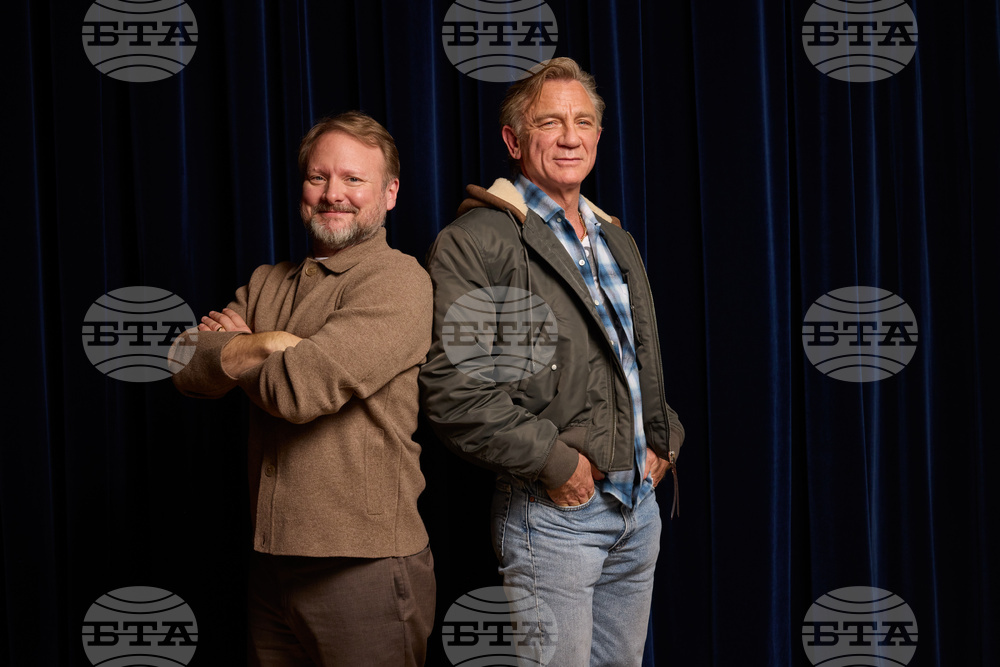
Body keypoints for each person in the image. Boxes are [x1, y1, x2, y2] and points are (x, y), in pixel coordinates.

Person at [419, 58, 684, 666]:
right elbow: (454, 392)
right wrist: (556, 464)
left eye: (583, 121)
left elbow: (632, 358)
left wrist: (664, 437)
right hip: (555, 513)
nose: (570, 136)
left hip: (637, 511)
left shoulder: (614, 237)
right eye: (550, 122)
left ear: (597, 136)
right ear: (514, 140)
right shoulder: (477, 240)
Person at [170, 111, 435, 666]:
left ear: (389, 194)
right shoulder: (268, 281)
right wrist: (266, 344)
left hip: (363, 568)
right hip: (270, 566)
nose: (332, 194)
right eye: (318, 178)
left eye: (353, 180)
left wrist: (232, 351)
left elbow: (300, 391)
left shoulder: (399, 281)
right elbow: (183, 364)